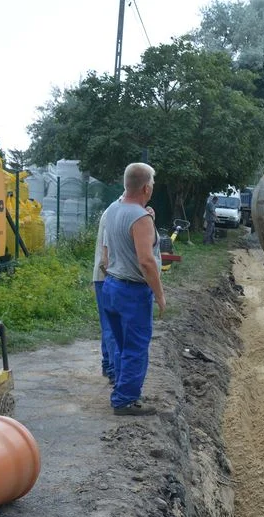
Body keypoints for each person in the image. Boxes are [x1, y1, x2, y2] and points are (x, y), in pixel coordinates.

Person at [100, 162, 165, 416]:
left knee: (120, 343)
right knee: (136, 347)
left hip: (112, 286)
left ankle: (121, 389)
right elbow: (146, 261)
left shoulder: (113, 209)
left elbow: (108, 253)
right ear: (146, 188)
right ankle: (125, 400)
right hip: (132, 292)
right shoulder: (140, 218)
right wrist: (159, 295)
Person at [92, 203, 118, 385]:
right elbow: (106, 255)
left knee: (107, 325)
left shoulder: (113, 210)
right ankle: (113, 370)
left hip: (104, 276)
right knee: (111, 326)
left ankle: (108, 364)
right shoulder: (115, 213)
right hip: (106, 277)